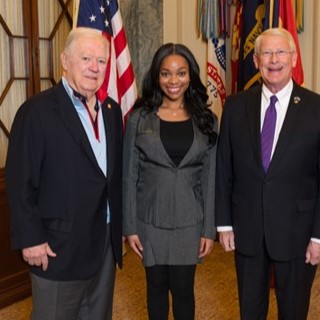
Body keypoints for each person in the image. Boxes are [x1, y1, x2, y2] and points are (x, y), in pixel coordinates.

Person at [6, 27, 123, 320]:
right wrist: (30, 238)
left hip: (103, 244)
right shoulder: (37, 111)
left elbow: (109, 177)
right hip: (57, 247)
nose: (94, 68)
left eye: (101, 61)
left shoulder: (111, 110)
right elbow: (20, 181)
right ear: (65, 60)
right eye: (86, 58)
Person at [216, 27, 320, 319]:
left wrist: (318, 237)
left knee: (294, 311)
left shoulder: (316, 108)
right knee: (250, 310)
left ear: (294, 58)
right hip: (247, 228)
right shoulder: (236, 106)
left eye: (280, 52)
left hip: (298, 233)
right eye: (266, 53)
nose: (274, 60)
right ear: (256, 60)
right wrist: (224, 224)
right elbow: (224, 166)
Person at [122, 43, 217, 320]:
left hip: (190, 223)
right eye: (165, 74)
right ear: (156, 76)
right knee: (155, 289)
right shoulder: (139, 118)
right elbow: (129, 175)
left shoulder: (207, 120)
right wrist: (129, 227)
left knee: (184, 291)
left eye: (181, 73)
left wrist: (208, 229)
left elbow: (210, 178)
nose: (173, 81)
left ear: (191, 76)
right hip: (149, 222)